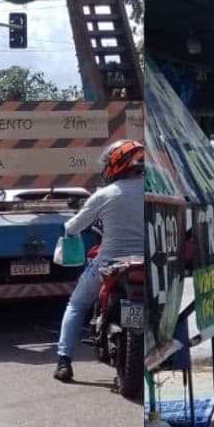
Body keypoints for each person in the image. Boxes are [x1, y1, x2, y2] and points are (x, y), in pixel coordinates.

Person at [54, 139, 145, 383]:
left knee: (76, 305)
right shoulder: (155, 190)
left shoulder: (105, 195)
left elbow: (73, 226)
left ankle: (64, 361)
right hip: (148, 264)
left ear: (117, 164)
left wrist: (71, 231)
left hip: (109, 262)